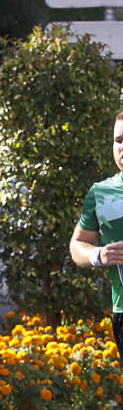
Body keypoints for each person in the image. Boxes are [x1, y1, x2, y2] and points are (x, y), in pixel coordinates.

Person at [71, 112, 123, 357]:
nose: (122, 147)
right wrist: (98, 254)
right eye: (119, 140)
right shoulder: (100, 193)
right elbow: (78, 243)